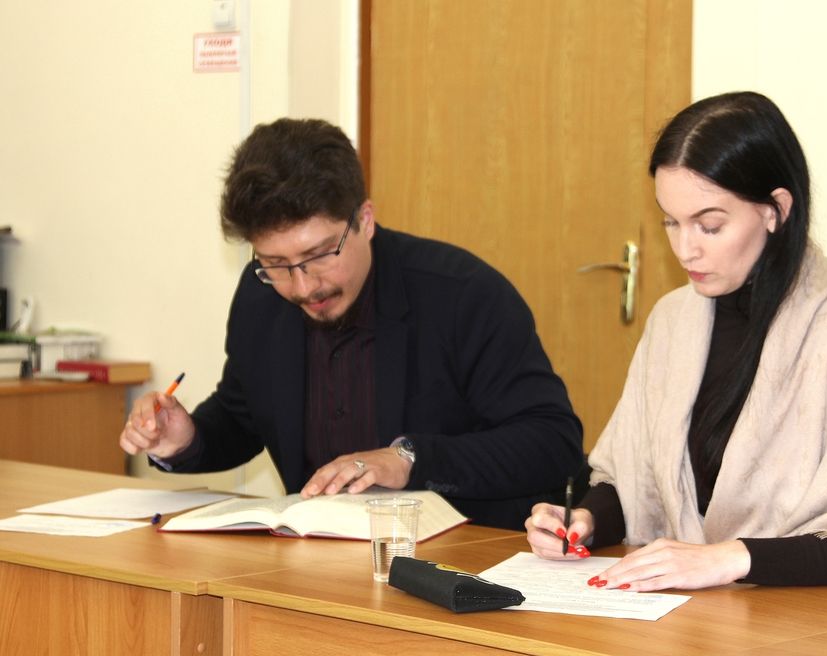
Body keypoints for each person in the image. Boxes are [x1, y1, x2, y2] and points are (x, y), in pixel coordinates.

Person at [525, 91, 827, 589]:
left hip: (809, 618)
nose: (685, 249)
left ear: (776, 210)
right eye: (671, 222)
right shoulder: (673, 320)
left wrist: (732, 558)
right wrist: (585, 522)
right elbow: (632, 481)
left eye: (710, 225)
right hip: (685, 612)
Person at [119, 117, 583, 531]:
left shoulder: (462, 294)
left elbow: (552, 442)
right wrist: (185, 439)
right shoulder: (261, 296)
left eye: (320, 254)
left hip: (461, 557)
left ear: (365, 219)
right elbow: (243, 417)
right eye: (276, 263)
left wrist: (408, 460)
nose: (303, 286)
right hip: (317, 560)